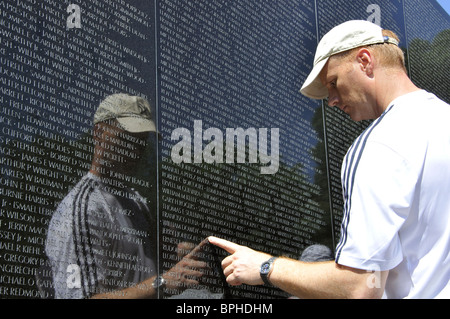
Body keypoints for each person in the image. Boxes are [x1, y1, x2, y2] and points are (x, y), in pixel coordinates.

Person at [209, 20, 450, 299]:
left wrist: (265, 267)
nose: (332, 100)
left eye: (333, 83)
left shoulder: (378, 145)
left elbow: (360, 286)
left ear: (365, 61)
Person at [45, 93, 206, 298]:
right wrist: (163, 281)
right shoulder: (84, 207)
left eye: (141, 142)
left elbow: (142, 273)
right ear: (99, 132)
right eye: (126, 137)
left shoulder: (136, 201)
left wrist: (178, 259)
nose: (134, 149)